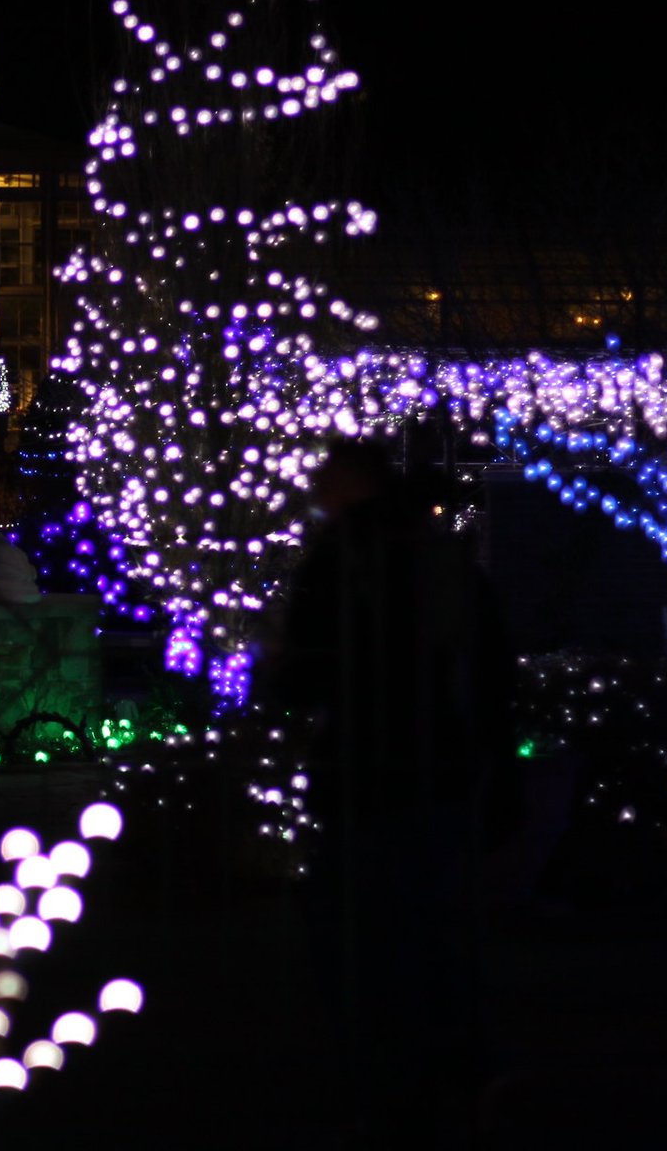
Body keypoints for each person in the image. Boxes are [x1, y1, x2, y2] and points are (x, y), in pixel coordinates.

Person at [268, 440, 512, 1144]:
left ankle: (385, 1090)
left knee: (357, 936)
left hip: (364, 770)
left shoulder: (343, 557)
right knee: (436, 928)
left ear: (347, 484)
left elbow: (308, 672)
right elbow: (492, 666)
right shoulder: (441, 555)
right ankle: (467, 1071)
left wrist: (280, 672)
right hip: (442, 766)